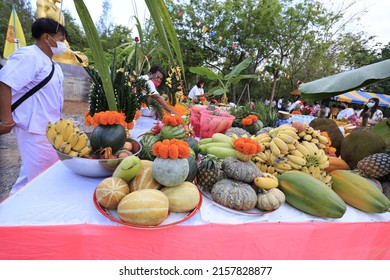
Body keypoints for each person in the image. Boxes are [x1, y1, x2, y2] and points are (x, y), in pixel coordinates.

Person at [0, 18, 68, 194]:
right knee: (42, 180)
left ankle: (9, 213)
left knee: (29, 177)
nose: (63, 44)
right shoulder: (30, 56)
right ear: (47, 37)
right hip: (34, 129)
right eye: (61, 39)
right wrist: (7, 120)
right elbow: (5, 83)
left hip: (48, 128)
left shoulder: (52, 64)